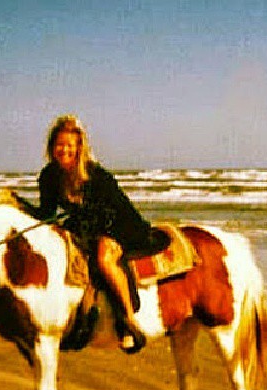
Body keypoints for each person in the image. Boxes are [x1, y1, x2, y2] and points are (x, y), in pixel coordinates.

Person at [27, 114, 169, 353]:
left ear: (79, 148)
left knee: (103, 258)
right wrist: (18, 208)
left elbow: (107, 214)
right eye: (59, 145)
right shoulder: (49, 176)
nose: (64, 150)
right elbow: (47, 213)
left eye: (69, 145)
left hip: (120, 224)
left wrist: (75, 227)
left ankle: (128, 321)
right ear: (52, 147)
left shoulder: (95, 175)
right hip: (87, 226)